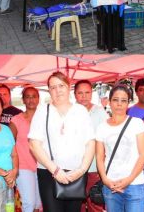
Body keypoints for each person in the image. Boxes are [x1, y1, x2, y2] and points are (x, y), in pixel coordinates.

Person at [28, 72, 95, 212]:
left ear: (68, 87)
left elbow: (90, 142)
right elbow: (34, 144)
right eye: (53, 87)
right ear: (49, 91)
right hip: (48, 172)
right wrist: (55, 170)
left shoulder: (81, 111)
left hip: (76, 172)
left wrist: (82, 170)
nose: (57, 90)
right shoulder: (42, 111)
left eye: (61, 86)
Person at [95, 85, 144, 212]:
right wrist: (105, 180)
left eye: (123, 100)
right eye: (115, 100)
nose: (119, 104)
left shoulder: (137, 123)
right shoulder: (101, 127)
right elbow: (99, 156)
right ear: (109, 101)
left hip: (135, 184)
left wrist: (128, 180)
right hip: (111, 184)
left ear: (128, 103)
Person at [74, 80, 108, 212]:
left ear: (92, 93)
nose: (84, 96)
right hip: (74, 167)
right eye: (80, 93)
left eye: (87, 92)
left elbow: (107, 136)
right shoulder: (70, 112)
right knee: (77, 203)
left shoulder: (99, 112)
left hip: (94, 166)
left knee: (95, 202)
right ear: (75, 94)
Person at [9, 87, 42, 212]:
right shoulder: (16, 120)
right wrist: (13, 167)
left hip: (42, 166)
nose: (31, 99)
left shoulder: (44, 118)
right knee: (29, 202)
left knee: (39, 203)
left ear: (38, 99)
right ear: (23, 100)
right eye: (27, 96)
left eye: (34, 96)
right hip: (23, 166)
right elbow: (9, 145)